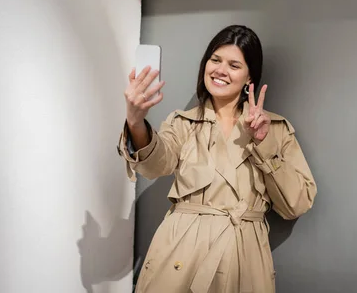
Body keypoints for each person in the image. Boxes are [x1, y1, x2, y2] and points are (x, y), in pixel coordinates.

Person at [117, 25, 317, 293]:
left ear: (249, 78)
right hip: (181, 253)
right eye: (215, 60)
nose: (220, 70)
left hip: (244, 258)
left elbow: (297, 204)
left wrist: (263, 144)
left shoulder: (275, 129)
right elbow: (155, 165)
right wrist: (136, 121)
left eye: (234, 65)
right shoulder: (182, 123)